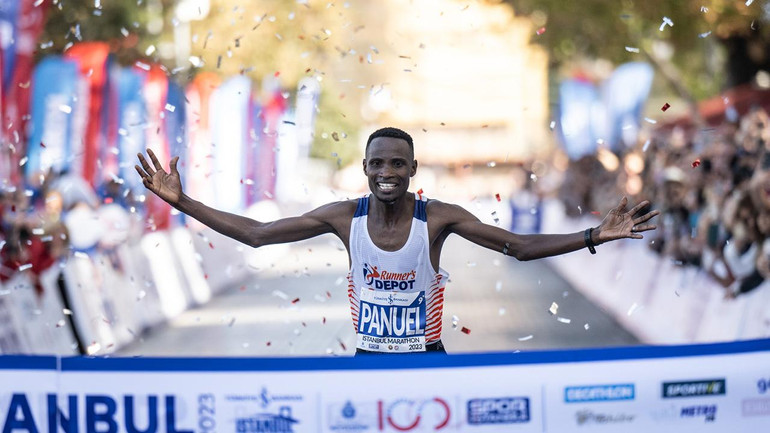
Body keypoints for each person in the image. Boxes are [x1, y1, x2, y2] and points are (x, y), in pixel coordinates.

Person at [136, 127, 659, 355]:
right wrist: (182, 203)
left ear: (412, 169)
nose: (387, 171)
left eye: (397, 163)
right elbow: (256, 235)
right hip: (368, 361)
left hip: (428, 358)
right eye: (377, 163)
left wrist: (596, 234)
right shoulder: (345, 218)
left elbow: (517, 247)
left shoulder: (439, 218)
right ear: (365, 169)